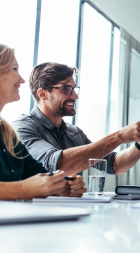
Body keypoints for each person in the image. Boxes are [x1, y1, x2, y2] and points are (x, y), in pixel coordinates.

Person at [13, 62, 140, 176]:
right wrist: (120, 136)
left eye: (74, 89)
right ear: (42, 94)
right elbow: (60, 165)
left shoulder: (74, 133)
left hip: (72, 214)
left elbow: (115, 165)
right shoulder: (22, 128)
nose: (74, 95)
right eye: (67, 89)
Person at [0, 44, 86, 200]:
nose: (21, 80)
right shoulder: (23, 127)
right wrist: (23, 189)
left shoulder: (7, 133)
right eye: (14, 69)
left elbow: (34, 173)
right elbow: (28, 185)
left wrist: (61, 186)